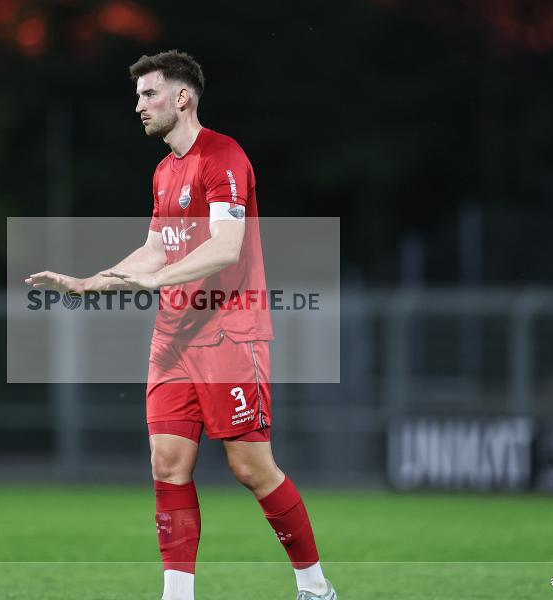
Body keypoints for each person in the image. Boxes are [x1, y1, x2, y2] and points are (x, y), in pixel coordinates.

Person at [26, 50, 336, 600]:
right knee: (167, 464)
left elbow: (226, 245)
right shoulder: (164, 172)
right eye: (138, 96)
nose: (139, 106)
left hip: (229, 335)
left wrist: (158, 280)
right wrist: (87, 283)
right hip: (172, 340)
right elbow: (153, 251)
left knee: (251, 468)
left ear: (181, 97)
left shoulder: (224, 157)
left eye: (149, 94)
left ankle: (314, 587)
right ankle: (177, 596)